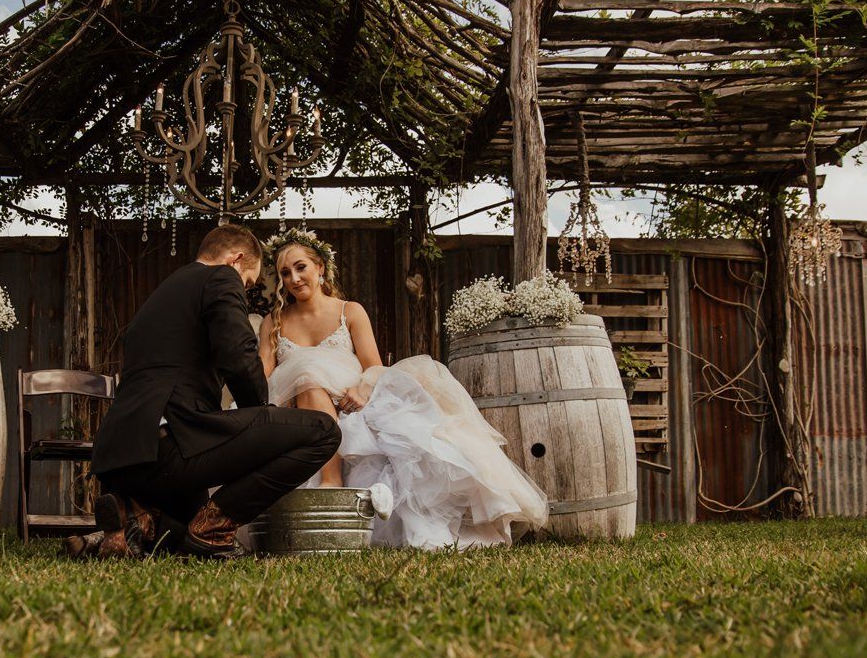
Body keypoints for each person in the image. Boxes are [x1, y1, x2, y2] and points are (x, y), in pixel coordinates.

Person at [257, 227, 548, 549]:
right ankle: (330, 481)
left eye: (301, 267)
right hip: (299, 405)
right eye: (285, 273)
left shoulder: (348, 311)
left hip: (349, 396)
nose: (295, 278)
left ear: (320, 268)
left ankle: (342, 486)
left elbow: (373, 364)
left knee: (418, 439)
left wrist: (363, 390)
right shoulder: (275, 321)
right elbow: (262, 374)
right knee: (308, 377)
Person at [83, 223, 341, 559]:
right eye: (248, 282)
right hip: (167, 445)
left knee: (179, 536)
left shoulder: (163, 295)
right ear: (236, 260)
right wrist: (261, 417)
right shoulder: (221, 277)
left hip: (122, 457)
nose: (244, 288)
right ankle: (214, 528)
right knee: (323, 431)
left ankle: (131, 521)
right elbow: (238, 357)